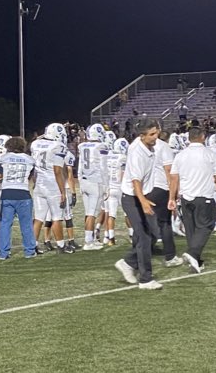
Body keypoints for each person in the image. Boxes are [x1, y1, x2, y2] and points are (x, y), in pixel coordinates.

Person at [114, 116, 163, 290]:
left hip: (142, 195)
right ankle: (146, 279)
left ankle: (128, 263)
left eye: (156, 132)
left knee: (154, 233)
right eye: (151, 134)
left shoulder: (144, 144)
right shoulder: (137, 154)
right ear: (142, 136)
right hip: (132, 198)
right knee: (143, 236)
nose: (156, 137)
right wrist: (143, 202)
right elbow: (136, 182)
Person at [168, 127, 216, 273]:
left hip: (186, 197)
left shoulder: (180, 155)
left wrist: (172, 198)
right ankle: (193, 254)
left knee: (191, 229)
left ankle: (196, 262)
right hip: (203, 195)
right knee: (206, 226)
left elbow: (174, 178)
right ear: (203, 137)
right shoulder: (209, 154)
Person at [0, 136, 37, 259]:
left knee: (5, 224)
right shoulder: (30, 159)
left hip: (7, 193)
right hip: (23, 193)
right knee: (26, 224)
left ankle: (3, 252)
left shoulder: (4, 158)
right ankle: (29, 251)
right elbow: (30, 176)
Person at [30, 123, 68, 252]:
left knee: (39, 217)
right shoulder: (58, 146)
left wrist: (35, 183)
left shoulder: (36, 144)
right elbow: (57, 171)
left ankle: (33, 245)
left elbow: (34, 169)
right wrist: (63, 191)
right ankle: (61, 246)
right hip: (52, 185)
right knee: (57, 216)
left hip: (39, 183)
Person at [147, 131, 183, 268]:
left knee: (145, 222)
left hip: (144, 188)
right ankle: (170, 256)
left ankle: (145, 249)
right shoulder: (163, 147)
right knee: (165, 223)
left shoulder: (139, 145)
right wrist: (173, 193)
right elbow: (169, 171)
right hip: (159, 187)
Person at [78, 124, 109, 250]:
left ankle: (90, 238)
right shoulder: (101, 146)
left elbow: (80, 165)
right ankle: (88, 242)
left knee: (89, 212)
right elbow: (103, 167)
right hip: (95, 182)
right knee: (92, 213)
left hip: (84, 181)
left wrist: (80, 181)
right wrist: (106, 186)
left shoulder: (82, 145)